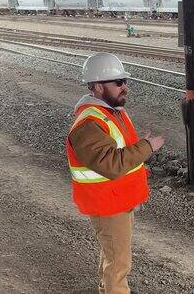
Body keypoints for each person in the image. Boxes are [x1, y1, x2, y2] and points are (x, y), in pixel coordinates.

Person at [66, 52, 164, 294]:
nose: (125, 87)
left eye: (125, 81)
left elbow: (119, 152)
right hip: (108, 203)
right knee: (119, 263)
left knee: (113, 253)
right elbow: (111, 164)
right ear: (98, 86)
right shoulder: (90, 124)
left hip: (118, 199)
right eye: (118, 82)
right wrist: (147, 146)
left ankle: (106, 287)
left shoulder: (111, 112)